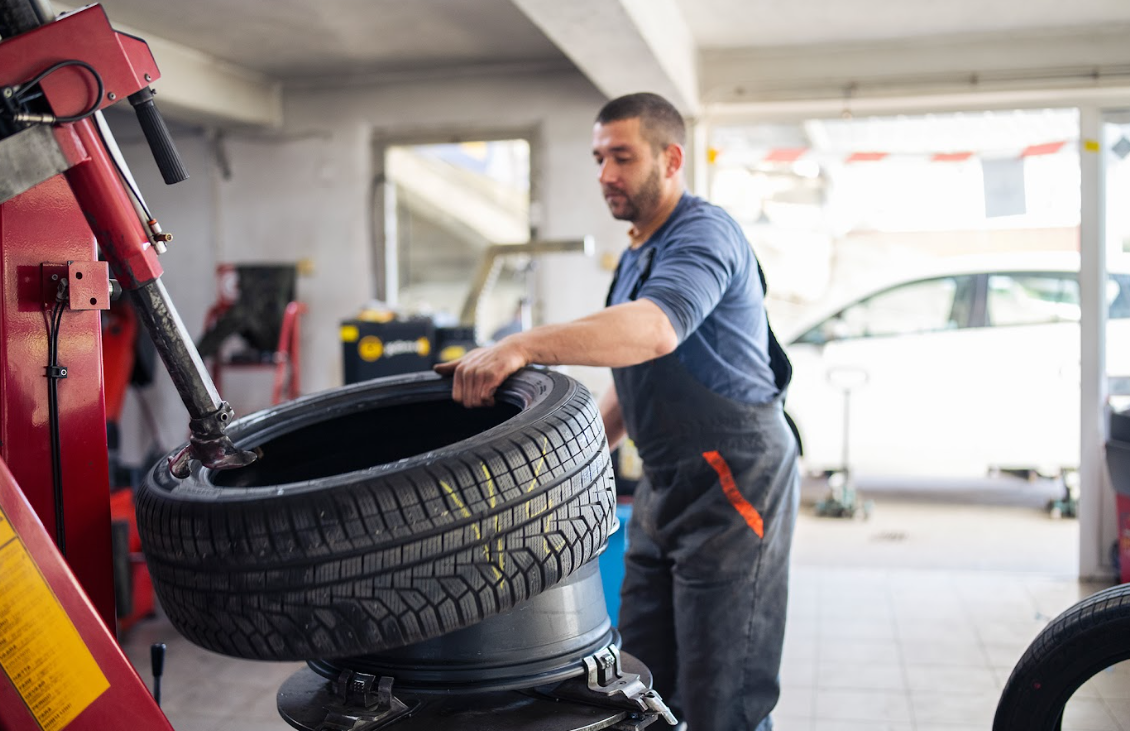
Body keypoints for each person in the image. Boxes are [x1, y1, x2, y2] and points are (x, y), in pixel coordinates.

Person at [435, 92, 799, 730]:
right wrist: (564, 466)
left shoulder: (703, 233)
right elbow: (637, 377)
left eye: (622, 157)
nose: (605, 174)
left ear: (671, 158)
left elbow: (655, 331)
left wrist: (521, 345)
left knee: (724, 690)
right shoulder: (636, 254)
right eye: (599, 157)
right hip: (666, 481)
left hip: (733, 480)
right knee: (641, 678)